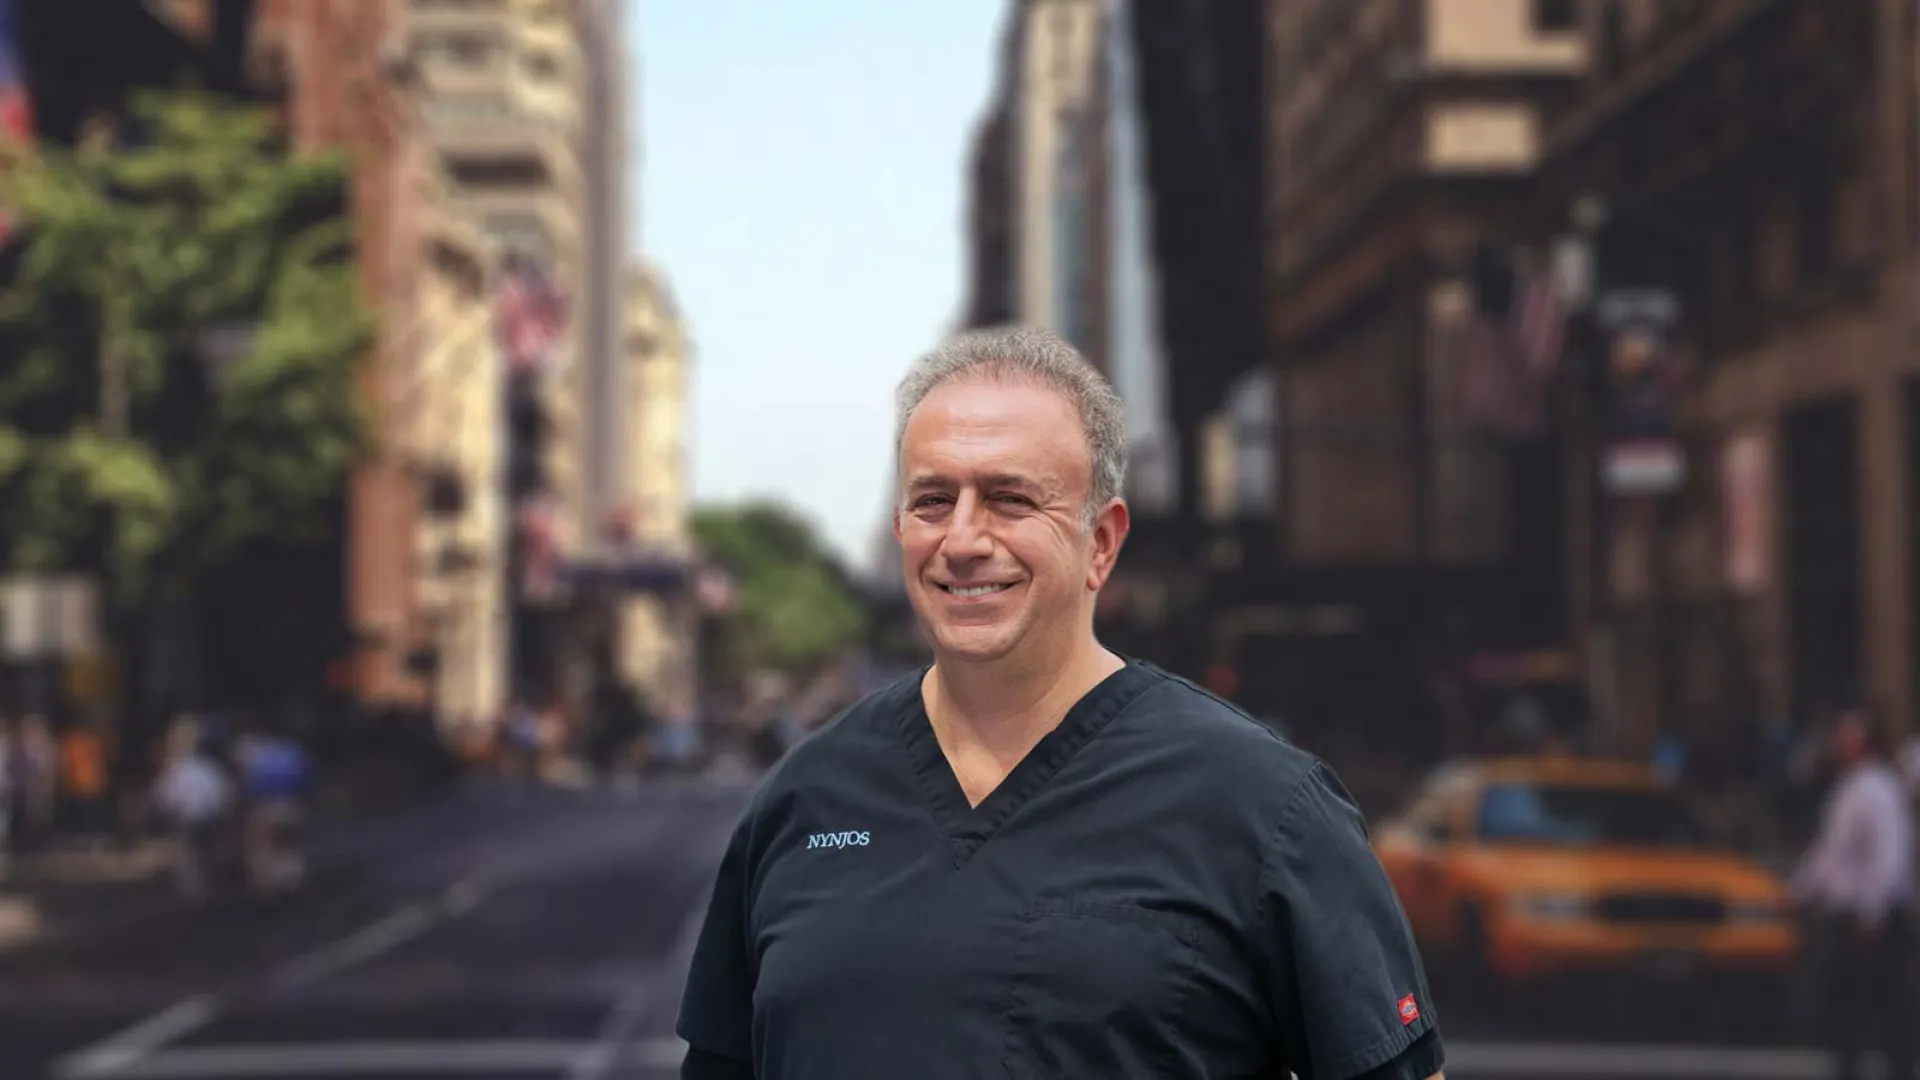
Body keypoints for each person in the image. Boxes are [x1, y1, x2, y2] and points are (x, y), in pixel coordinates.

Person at [676, 327, 1444, 1080]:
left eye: (1010, 500)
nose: (965, 539)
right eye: (934, 500)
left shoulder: (1265, 807)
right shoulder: (802, 799)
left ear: (1101, 542)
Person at [1791, 706, 1914, 1080]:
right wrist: (1800, 890)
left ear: (1866, 743)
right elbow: (1830, 852)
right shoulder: (1847, 789)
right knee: (1843, 1003)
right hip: (1845, 914)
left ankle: (1899, 1068)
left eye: (1848, 736)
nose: (1839, 743)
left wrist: (1873, 913)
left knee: (1883, 1002)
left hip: (1870, 916)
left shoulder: (1879, 790)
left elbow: (1889, 855)